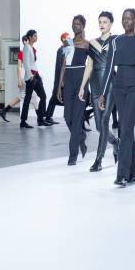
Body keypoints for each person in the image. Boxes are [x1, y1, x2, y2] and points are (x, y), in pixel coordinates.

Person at [98, 8, 135, 187]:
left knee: (126, 128)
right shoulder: (116, 40)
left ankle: (121, 174)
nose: (126, 21)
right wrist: (103, 93)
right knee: (125, 128)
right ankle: (134, 173)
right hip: (119, 87)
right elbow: (108, 69)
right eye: (124, 18)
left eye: (129, 18)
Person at [78, 12, 119, 171]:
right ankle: (115, 142)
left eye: (105, 22)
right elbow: (89, 65)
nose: (102, 24)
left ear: (111, 24)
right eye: (100, 21)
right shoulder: (93, 43)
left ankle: (98, 160)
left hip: (110, 84)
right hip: (95, 84)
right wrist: (82, 86)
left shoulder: (116, 40)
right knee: (98, 126)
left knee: (104, 121)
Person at [57, 15, 89, 165]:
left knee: (76, 120)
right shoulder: (67, 43)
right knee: (67, 118)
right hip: (68, 82)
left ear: (83, 26)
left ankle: (73, 155)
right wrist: (59, 87)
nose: (75, 26)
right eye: (73, 24)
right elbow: (63, 65)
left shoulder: (87, 44)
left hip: (81, 82)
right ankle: (81, 138)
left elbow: (93, 65)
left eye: (78, 24)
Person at [20, 30, 50, 128]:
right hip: (31, 77)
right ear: (29, 37)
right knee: (27, 99)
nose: (36, 37)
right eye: (35, 36)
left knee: (43, 96)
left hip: (36, 76)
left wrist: (38, 74)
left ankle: (40, 119)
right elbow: (26, 62)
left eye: (37, 35)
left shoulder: (32, 48)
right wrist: (30, 75)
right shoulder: (26, 47)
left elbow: (33, 63)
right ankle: (23, 121)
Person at [45, 32, 70, 124]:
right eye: (68, 38)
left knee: (54, 97)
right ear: (63, 39)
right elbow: (60, 66)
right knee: (55, 97)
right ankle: (48, 117)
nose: (70, 39)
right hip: (60, 78)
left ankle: (48, 116)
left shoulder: (65, 49)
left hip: (62, 77)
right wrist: (62, 80)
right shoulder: (62, 50)